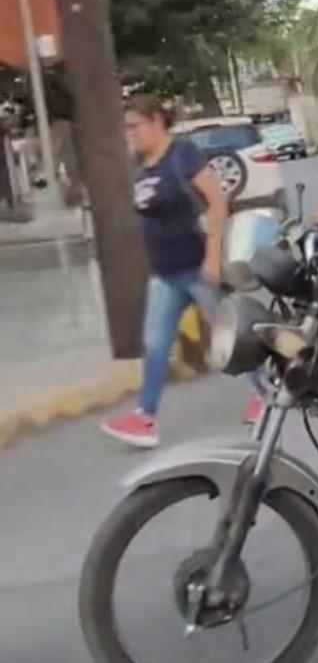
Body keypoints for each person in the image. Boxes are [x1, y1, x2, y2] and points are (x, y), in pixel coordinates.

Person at [100, 96, 231, 448]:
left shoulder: (183, 154)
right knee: (155, 345)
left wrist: (214, 258)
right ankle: (145, 417)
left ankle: (268, 392)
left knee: (230, 336)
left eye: (134, 126)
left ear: (156, 121)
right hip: (164, 273)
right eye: (126, 127)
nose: (130, 134)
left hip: (195, 266)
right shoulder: (143, 166)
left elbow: (217, 203)